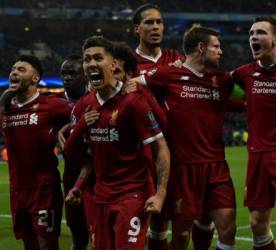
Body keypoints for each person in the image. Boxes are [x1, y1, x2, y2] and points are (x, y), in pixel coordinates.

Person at [131, 25, 237, 250]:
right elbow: (131, 86)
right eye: (216, 46)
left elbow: (255, 93)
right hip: (183, 168)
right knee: (180, 236)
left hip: (217, 167)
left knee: (228, 229)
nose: (221, 52)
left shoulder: (223, 81)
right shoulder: (167, 74)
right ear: (201, 47)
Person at [65, 36, 170, 250]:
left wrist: (160, 194)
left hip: (133, 193)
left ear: (113, 64)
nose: (92, 63)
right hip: (101, 196)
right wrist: (79, 185)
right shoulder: (84, 106)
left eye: (98, 58)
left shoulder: (133, 102)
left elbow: (161, 148)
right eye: (87, 59)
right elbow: (82, 157)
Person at [232, 16, 276, 250]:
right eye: (251, 34)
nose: (253, 38)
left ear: (275, 39)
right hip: (257, 156)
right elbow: (210, 81)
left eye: (260, 33)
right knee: (257, 223)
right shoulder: (244, 73)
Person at [0, 55, 71, 250]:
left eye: (22, 70)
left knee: (47, 245)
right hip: (17, 190)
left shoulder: (53, 105)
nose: (14, 72)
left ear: (35, 78)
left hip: (44, 189)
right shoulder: (5, 107)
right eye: (13, 69)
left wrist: (66, 132)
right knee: (28, 245)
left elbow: (81, 112)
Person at [60, 55, 90, 250]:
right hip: (71, 175)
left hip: (100, 175)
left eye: (73, 73)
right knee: (78, 233)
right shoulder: (55, 105)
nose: (67, 78)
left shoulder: (99, 100)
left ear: (85, 76)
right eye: (64, 73)